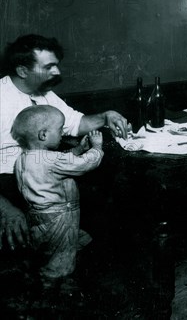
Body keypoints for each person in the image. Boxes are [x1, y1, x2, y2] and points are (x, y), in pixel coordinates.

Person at [0, 34, 128, 251]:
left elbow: (76, 122)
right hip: (8, 184)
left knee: (113, 197)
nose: (57, 72)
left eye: (56, 66)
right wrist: (5, 209)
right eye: (49, 67)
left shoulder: (44, 94)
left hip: (48, 176)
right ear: (22, 70)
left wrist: (106, 115)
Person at [11, 105, 104, 283]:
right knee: (59, 267)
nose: (62, 134)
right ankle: (56, 295)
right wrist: (96, 148)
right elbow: (83, 165)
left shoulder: (23, 158)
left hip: (38, 219)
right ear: (43, 135)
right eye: (60, 129)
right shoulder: (50, 160)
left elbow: (58, 160)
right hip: (59, 220)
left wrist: (77, 150)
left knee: (57, 254)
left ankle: (51, 283)